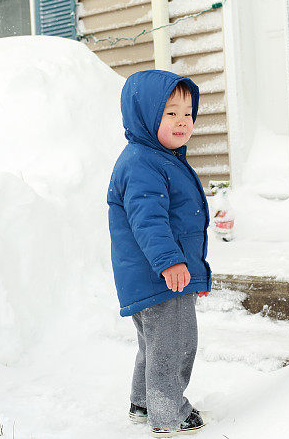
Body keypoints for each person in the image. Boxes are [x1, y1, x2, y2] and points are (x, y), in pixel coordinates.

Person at [107, 70, 212, 436]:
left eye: (188, 113)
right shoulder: (143, 163)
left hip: (155, 275)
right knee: (176, 346)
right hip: (162, 276)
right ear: (145, 114)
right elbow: (148, 220)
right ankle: (169, 414)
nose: (183, 121)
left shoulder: (156, 158)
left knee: (155, 345)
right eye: (171, 113)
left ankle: (144, 402)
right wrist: (172, 262)